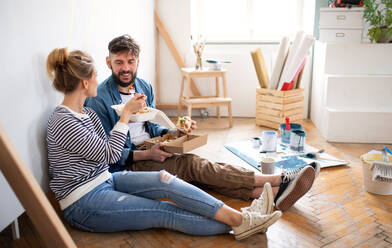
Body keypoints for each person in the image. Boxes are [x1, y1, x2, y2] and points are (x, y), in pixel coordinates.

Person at [45, 47, 285, 240]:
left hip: (105, 180)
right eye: (95, 75)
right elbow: (110, 154)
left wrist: (170, 132)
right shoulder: (64, 121)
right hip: (83, 202)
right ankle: (243, 221)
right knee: (163, 212)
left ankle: (243, 218)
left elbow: (108, 150)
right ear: (85, 83)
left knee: (165, 179)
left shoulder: (85, 114)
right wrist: (126, 116)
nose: (98, 79)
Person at [84, 34, 318, 211]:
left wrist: (173, 132)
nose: (125, 68)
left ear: (137, 60)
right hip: (129, 165)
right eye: (119, 62)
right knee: (193, 166)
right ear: (108, 61)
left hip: (155, 149)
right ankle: (280, 179)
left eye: (131, 61)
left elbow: (152, 126)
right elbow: (108, 154)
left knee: (200, 174)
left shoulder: (144, 86)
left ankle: (271, 195)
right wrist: (147, 155)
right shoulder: (99, 99)